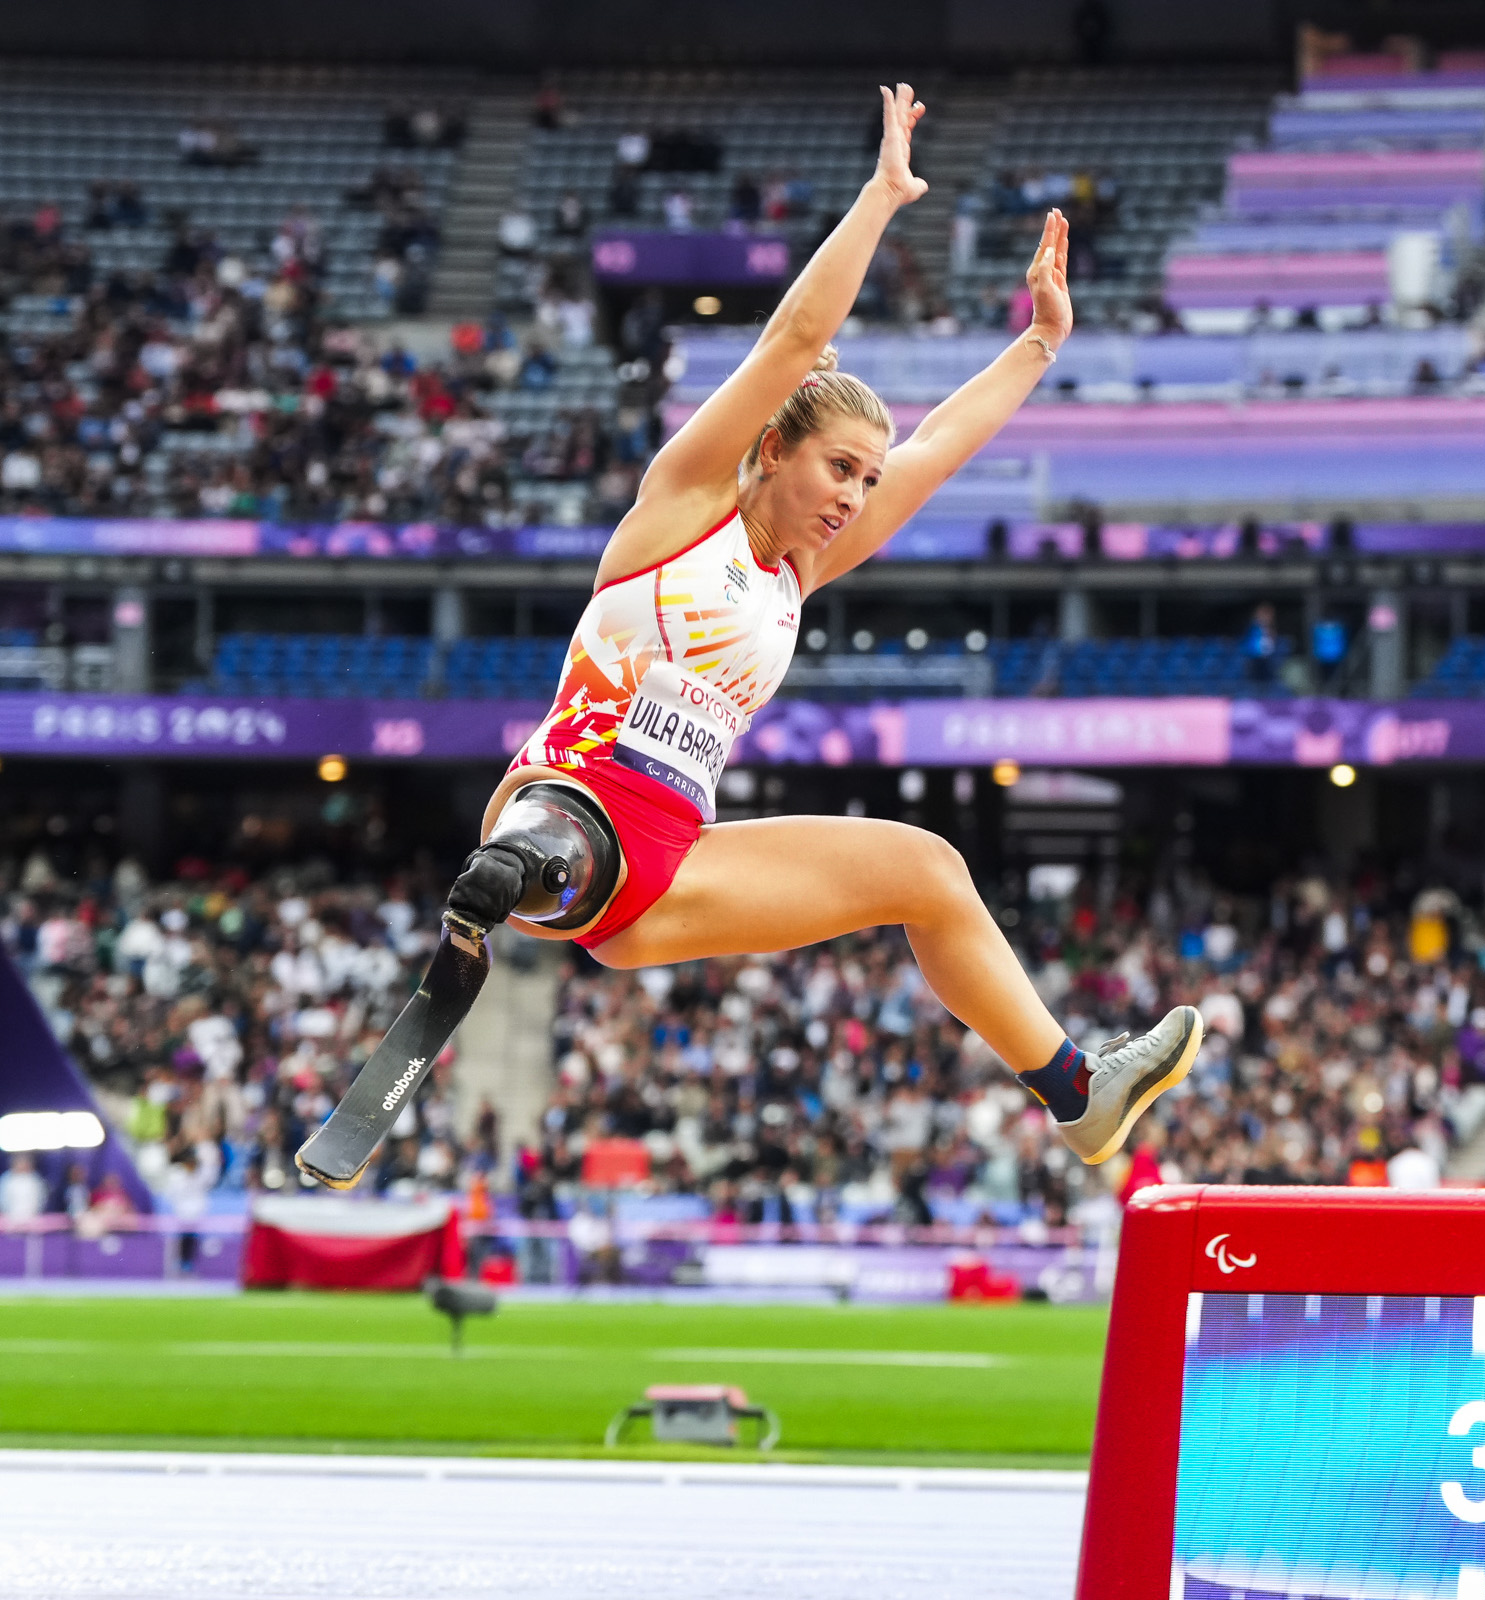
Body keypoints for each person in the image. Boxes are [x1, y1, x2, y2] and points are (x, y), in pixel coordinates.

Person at [450, 86, 1197, 1169]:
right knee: (562, 844)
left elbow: (936, 449)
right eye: (839, 468)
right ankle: (520, 870)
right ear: (772, 452)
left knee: (928, 872)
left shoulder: (799, 569)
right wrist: (883, 198)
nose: (855, 494)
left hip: (676, 865)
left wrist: (1039, 342)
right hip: (564, 820)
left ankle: (1079, 1090)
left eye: (865, 478)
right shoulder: (682, 506)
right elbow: (799, 340)